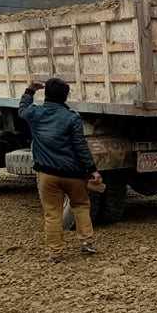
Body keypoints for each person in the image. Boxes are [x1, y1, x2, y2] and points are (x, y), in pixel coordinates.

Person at [18, 78, 102, 262]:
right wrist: (92, 169)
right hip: (73, 174)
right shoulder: (72, 117)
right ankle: (86, 241)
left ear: (46, 94)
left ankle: (55, 253)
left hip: (47, 175)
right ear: (66, 96)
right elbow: (80, 146)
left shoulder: (34, 113)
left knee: (53, 213)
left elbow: (22, 109)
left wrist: (30, 90)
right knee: (80, 206)